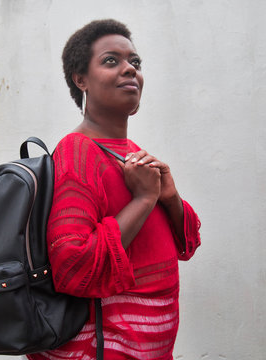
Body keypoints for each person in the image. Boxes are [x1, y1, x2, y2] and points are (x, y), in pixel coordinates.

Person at [28, 19, 201, 360]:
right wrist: (145, 198)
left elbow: (187, 243)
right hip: (104, 349)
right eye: (111, 61)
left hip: (147, 348)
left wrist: (168, 197)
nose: (129, 70)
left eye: (135, 63)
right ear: (81, 80)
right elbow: (73, 262)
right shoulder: (78, 151)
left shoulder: (131, 151)